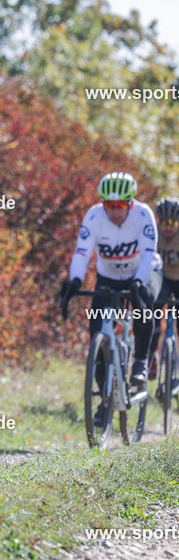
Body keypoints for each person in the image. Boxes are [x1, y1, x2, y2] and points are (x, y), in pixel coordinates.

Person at [61, 172, 162, 426]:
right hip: (108, 278)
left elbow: (149, 254)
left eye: (120, 206)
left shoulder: (143, 215)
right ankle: (104, 401)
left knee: (142, 306)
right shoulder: (94, 216)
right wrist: (75, 280)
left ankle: (140, 361)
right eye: (109, 205)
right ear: (102, 203)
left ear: (130, 203)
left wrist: (139, 282)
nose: (114, 211)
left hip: (143, 272)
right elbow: (82, 252)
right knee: (97, 331)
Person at [148, 196, 179, 379]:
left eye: (173, 223)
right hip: (162, 277)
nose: (168, 227)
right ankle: (151, 359)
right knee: (152, 314)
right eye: (164, 222)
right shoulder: (152, 231)